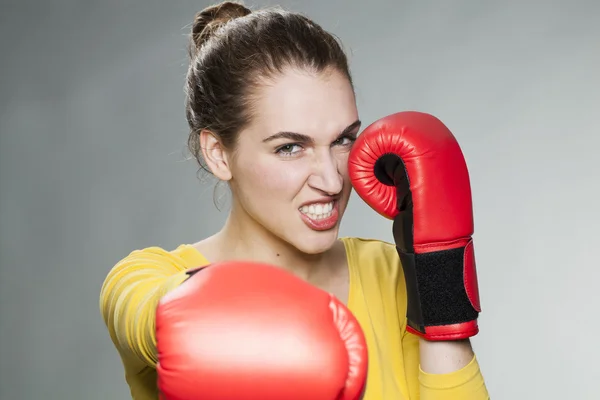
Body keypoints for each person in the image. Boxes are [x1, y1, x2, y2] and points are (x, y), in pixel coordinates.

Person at [99, 1, 490, 399]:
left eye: (343, 140)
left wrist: (440, 283)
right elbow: (145, 314)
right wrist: (218, 320)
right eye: (290, 147)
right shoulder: (144, 277)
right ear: (218, 153)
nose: (332, 179)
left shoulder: (390, 274)